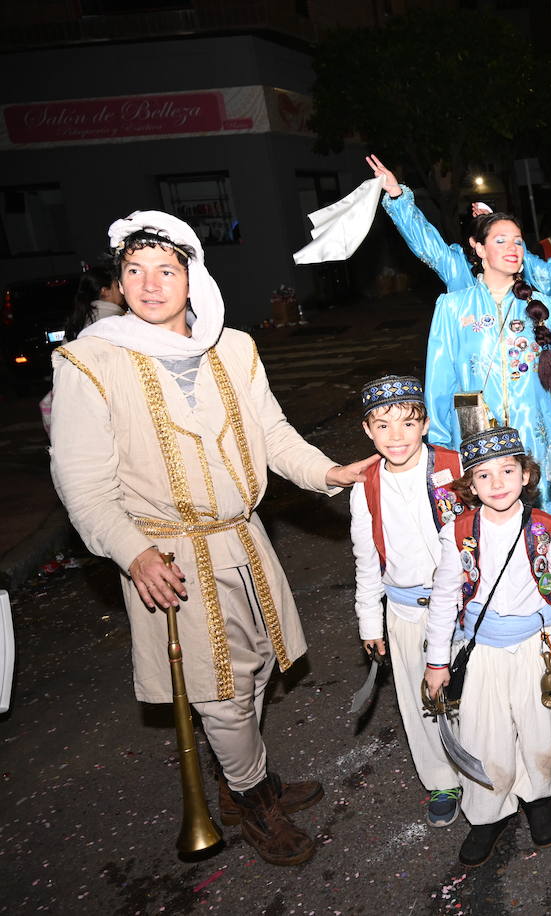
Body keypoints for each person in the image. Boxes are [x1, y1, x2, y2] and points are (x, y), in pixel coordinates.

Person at [49, 211, 378, 865]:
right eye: (134, 271)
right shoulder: (89, 362)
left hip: (242, 537)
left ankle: (238, 780)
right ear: (119, 281)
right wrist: (134, 552)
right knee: (220, 691)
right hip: (169, 552)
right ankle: (255, 800)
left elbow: (274, 434)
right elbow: (81, 481)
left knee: (253, 670)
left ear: (191, 276)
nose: (148, 283)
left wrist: (327, 472)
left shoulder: (233, 348)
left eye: (165, 269)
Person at [422, 426, 551, 866]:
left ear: (526, 475)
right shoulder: (457, 532)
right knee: (482, 735)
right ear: (470, 485)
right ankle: (487, 814)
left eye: (507, 471)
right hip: (481, 652)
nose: (497, 483)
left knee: (543, 730)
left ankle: (539, 797)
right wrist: (436, 662)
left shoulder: (549, 530)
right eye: (484, 475)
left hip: (538, 648)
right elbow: (443, 599)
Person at [369, 155, 551, 514]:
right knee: (483, 539)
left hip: (537, 444)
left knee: (540, 538)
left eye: (518, 241)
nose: (512, 248)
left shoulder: (543, 306)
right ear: (477, 247)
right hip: (477, 438)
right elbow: (441, 382)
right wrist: (399, 198)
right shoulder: (455, 304)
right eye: (499, 240)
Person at [349, 375, 466, 827]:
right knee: (422, 700)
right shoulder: (367, 485)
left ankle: (483, 774)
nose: (395, 436)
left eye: (406, 423)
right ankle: (441, 779)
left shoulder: (453, 468)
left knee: (472, 696)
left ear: (426, 424)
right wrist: (370, 623)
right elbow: (366, 558)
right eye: (383, 425)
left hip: (461, 608)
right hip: (404, 610)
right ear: (367, 430)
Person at [41, 263, 126, 435]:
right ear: (105, 291)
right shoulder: (114, 322)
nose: (122, 290)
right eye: (117, 285)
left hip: (78, 401)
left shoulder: (78, 319)